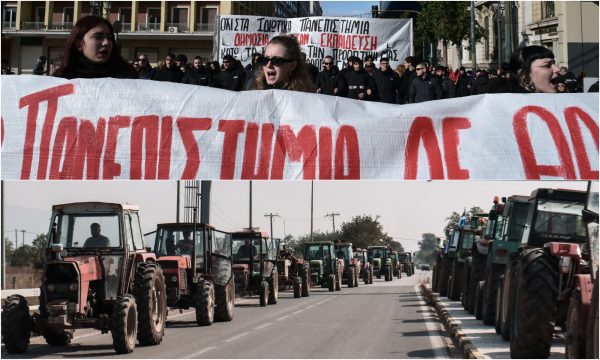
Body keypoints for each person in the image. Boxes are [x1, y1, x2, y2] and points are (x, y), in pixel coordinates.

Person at [52, 15, 137, 79]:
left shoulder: (127, 76)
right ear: (79, 44)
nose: (106, 42)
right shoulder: (61, 79)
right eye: (98, 37)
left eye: (109, 37)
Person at [249, 35, 314, 92]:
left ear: (292, 66)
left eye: (277, 60)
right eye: (265, 60)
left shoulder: (307, 98)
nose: (269, 65)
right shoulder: (252, 90)